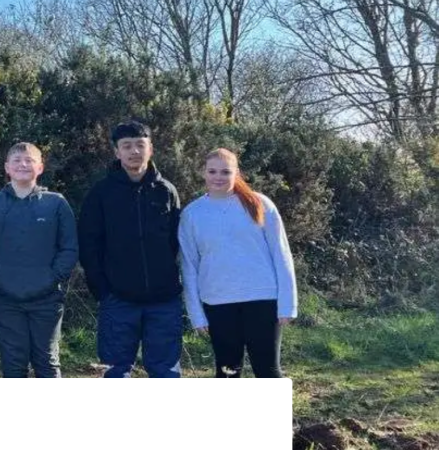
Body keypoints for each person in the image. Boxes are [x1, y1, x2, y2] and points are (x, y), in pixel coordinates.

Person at [179, 148, 297, 378]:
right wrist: (196, 313)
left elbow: (281, 254)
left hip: (263, 300)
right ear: (203, 172)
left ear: (237, 173)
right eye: (212, 171)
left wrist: (287, 304)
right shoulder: (192, 214)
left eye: (225, 171)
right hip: (218, 302)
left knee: (268, 371)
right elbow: (189, 267)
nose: (218, 177)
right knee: (228, 372)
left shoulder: (260, 204)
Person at [78, 120, 183, 378]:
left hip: (163, 300)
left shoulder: (166, 191)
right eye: (127, 146)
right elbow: (89, 245)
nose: (134, 151)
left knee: (166, 372)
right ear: (117, 152)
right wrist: (103, 290)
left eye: (140, 145)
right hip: (118, 300)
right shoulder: (101, 193)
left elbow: (176, 241)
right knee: (115, 371)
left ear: (151, 149)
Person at [0, 142, 78, 378]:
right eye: (17, 160)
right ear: (7, 168)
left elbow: (69, 248)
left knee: (47, 363)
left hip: (47, 299)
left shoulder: (57, 203)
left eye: (29, 160)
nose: (23, 164)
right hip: (5, 299)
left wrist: (51, 278)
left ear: (40, 167)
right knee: (13, 365)